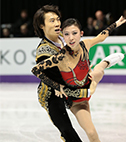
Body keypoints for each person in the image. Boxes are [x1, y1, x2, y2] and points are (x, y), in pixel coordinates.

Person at [32, 16, 126, 142]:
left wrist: (115, 24)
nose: (71, 38)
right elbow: (35, 69)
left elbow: (102, 36)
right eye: (66, 34)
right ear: (63, 36)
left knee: (98, 73)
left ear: (81, 34)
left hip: (88, 81)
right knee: (92, 133)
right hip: (77, 100)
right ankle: (103, 64)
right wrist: (56, 86)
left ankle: (105, 63)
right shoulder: (60, 57)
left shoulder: (85, 44)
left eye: (74, 33)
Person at [32, 4, 91, 142]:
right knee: (67, 130)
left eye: (58, 19)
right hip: (51, 94)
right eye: (52, 21)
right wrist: (83, 91)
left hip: (68, 85)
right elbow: (48, 77)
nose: (58, 23)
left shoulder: (65, 36)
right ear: (42, 25)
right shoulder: (44, 52)